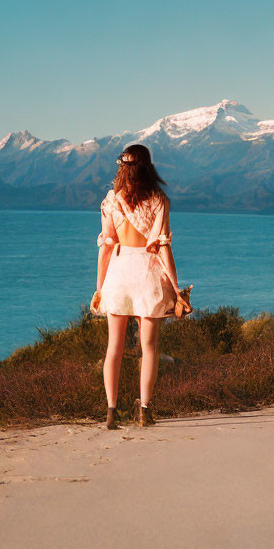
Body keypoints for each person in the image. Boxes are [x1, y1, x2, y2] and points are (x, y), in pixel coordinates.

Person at [89, 144, 192, 429]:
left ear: (122, 167)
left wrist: (99, 289)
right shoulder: (159, 200)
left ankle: (111, 411)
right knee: (149, 348)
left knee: (114, 348)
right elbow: (162, 248)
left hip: (119, 273)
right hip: (148, 274)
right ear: (148, 166)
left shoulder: (111, 200)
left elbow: (106, 246)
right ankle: (145, 410)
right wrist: (176, 287)